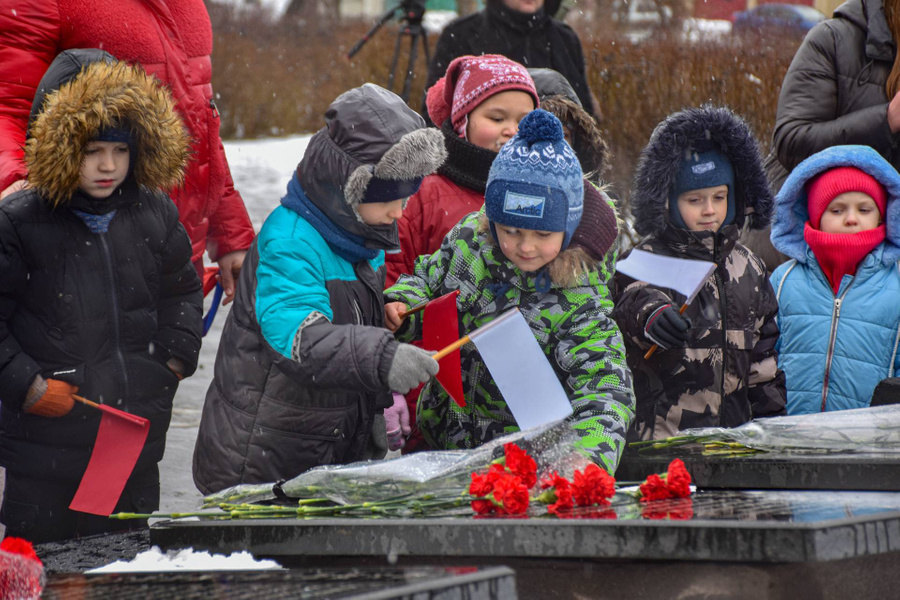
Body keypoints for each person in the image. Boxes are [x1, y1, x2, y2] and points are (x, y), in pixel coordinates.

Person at [192, 84, 447, 495]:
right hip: (264, 457)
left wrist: (381, 317)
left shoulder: (365, 232)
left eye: (408, 196)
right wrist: (381, 357)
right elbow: (299, 338)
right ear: (350, 187)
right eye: (389, 199)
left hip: (322, 444)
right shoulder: (290, 241)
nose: (399, 212)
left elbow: (343, 315)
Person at [0, 50, 203, 542]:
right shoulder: (20, 222)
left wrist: (171, 362)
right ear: (60, 146)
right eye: (92, 151)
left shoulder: (154, 212)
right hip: (45, 447)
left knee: (122, 560)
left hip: (131, 440)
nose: (108, 166)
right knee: (47, 571)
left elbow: (182, 290)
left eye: (120, 150)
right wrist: (28, 385)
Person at [385, 109, 633, 473]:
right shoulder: (470, 245)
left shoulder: (579, 298)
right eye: (511, 230)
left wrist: (588, 458)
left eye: (543, 235)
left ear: (568, 228)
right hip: (445, 443)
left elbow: (605, 389)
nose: (525, 247)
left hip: (525, 467)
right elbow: (428, 278)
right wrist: (403, 304)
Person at [0, 0, 255, 303]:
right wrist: (17, 188)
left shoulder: (188, 5)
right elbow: (9, 109)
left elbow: (200, 123)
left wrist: (229, 233)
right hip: (81, 263)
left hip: (177, 260)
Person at [613, 106, 787, 442]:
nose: (709, 210)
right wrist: (653, 318)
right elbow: (631, 301)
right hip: (660, 442)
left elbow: (763, 361)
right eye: (695, 199)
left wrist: (772, 427)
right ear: (669, 202)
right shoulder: (644, 258)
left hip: (733, 442)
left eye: (719, 197)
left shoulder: (749, 266)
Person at [751, 0, 900, 274]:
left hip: (885, 277)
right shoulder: (832, 40)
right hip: (802, 267)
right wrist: (887, 119)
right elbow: (792, 139)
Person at [386, 54, 540, 288]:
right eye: (497, 118)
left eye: (525, 121)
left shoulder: (543, 189)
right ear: (462, 123)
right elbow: (393, 269)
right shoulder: (422, 194)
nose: (512, 130)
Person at [770, 145, 900, 414]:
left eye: (864, 209)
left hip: (868, 442)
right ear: (815, 217)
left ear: (882, 215)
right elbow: (761, 360)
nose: (851, 219)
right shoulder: (783, 282)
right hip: (788, 436)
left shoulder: (896, 285)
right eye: (837, 210)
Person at [425, 0, 596, 123]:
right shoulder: (462, 34)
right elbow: (438, 109)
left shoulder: (565, 39)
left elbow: (583, 111)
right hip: (478, 163)